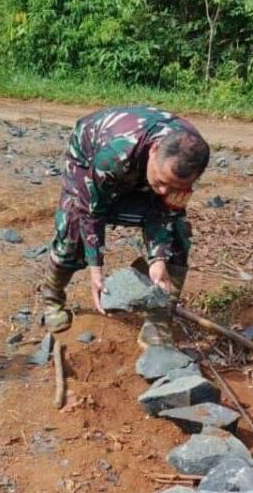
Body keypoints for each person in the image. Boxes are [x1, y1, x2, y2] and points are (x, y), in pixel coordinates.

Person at [40, 105, 210, 349]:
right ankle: (52, 298)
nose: (164, 190)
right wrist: (95, 268)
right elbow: (92, 210)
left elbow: (164, 212)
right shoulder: (114, 153)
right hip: (89, 162)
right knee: (74, 227)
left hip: (138, 169)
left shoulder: (190, 156)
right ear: (154, 150)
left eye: (173, 186)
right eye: (161, 182)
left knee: (177, 232)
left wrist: (158, 260)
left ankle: (159, 316)